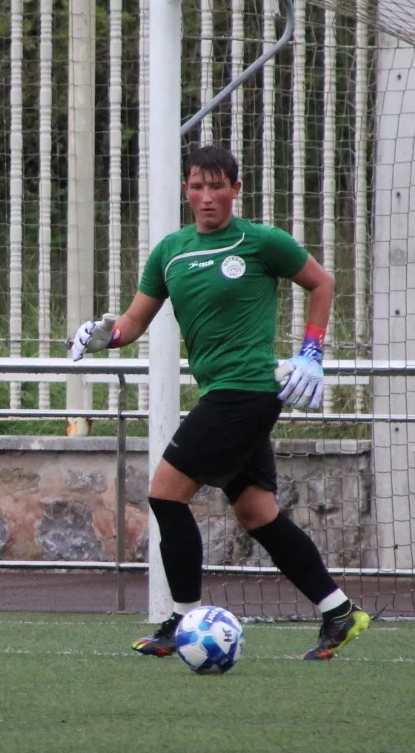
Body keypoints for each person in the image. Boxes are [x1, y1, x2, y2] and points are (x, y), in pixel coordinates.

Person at [69, 143, 370, 662]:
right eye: (197, 186)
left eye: (216, 186)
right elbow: (134, 322)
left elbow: (322, 283)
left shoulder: (261, 242)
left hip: (247, 390)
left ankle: (181, 621)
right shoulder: (171, 251)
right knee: (257, 513)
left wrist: (311, 352)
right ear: (186, 190)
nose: (206, 196)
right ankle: (338, 611)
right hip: (221, 393)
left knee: (165, 495)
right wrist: (105, 335)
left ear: (236, 189)